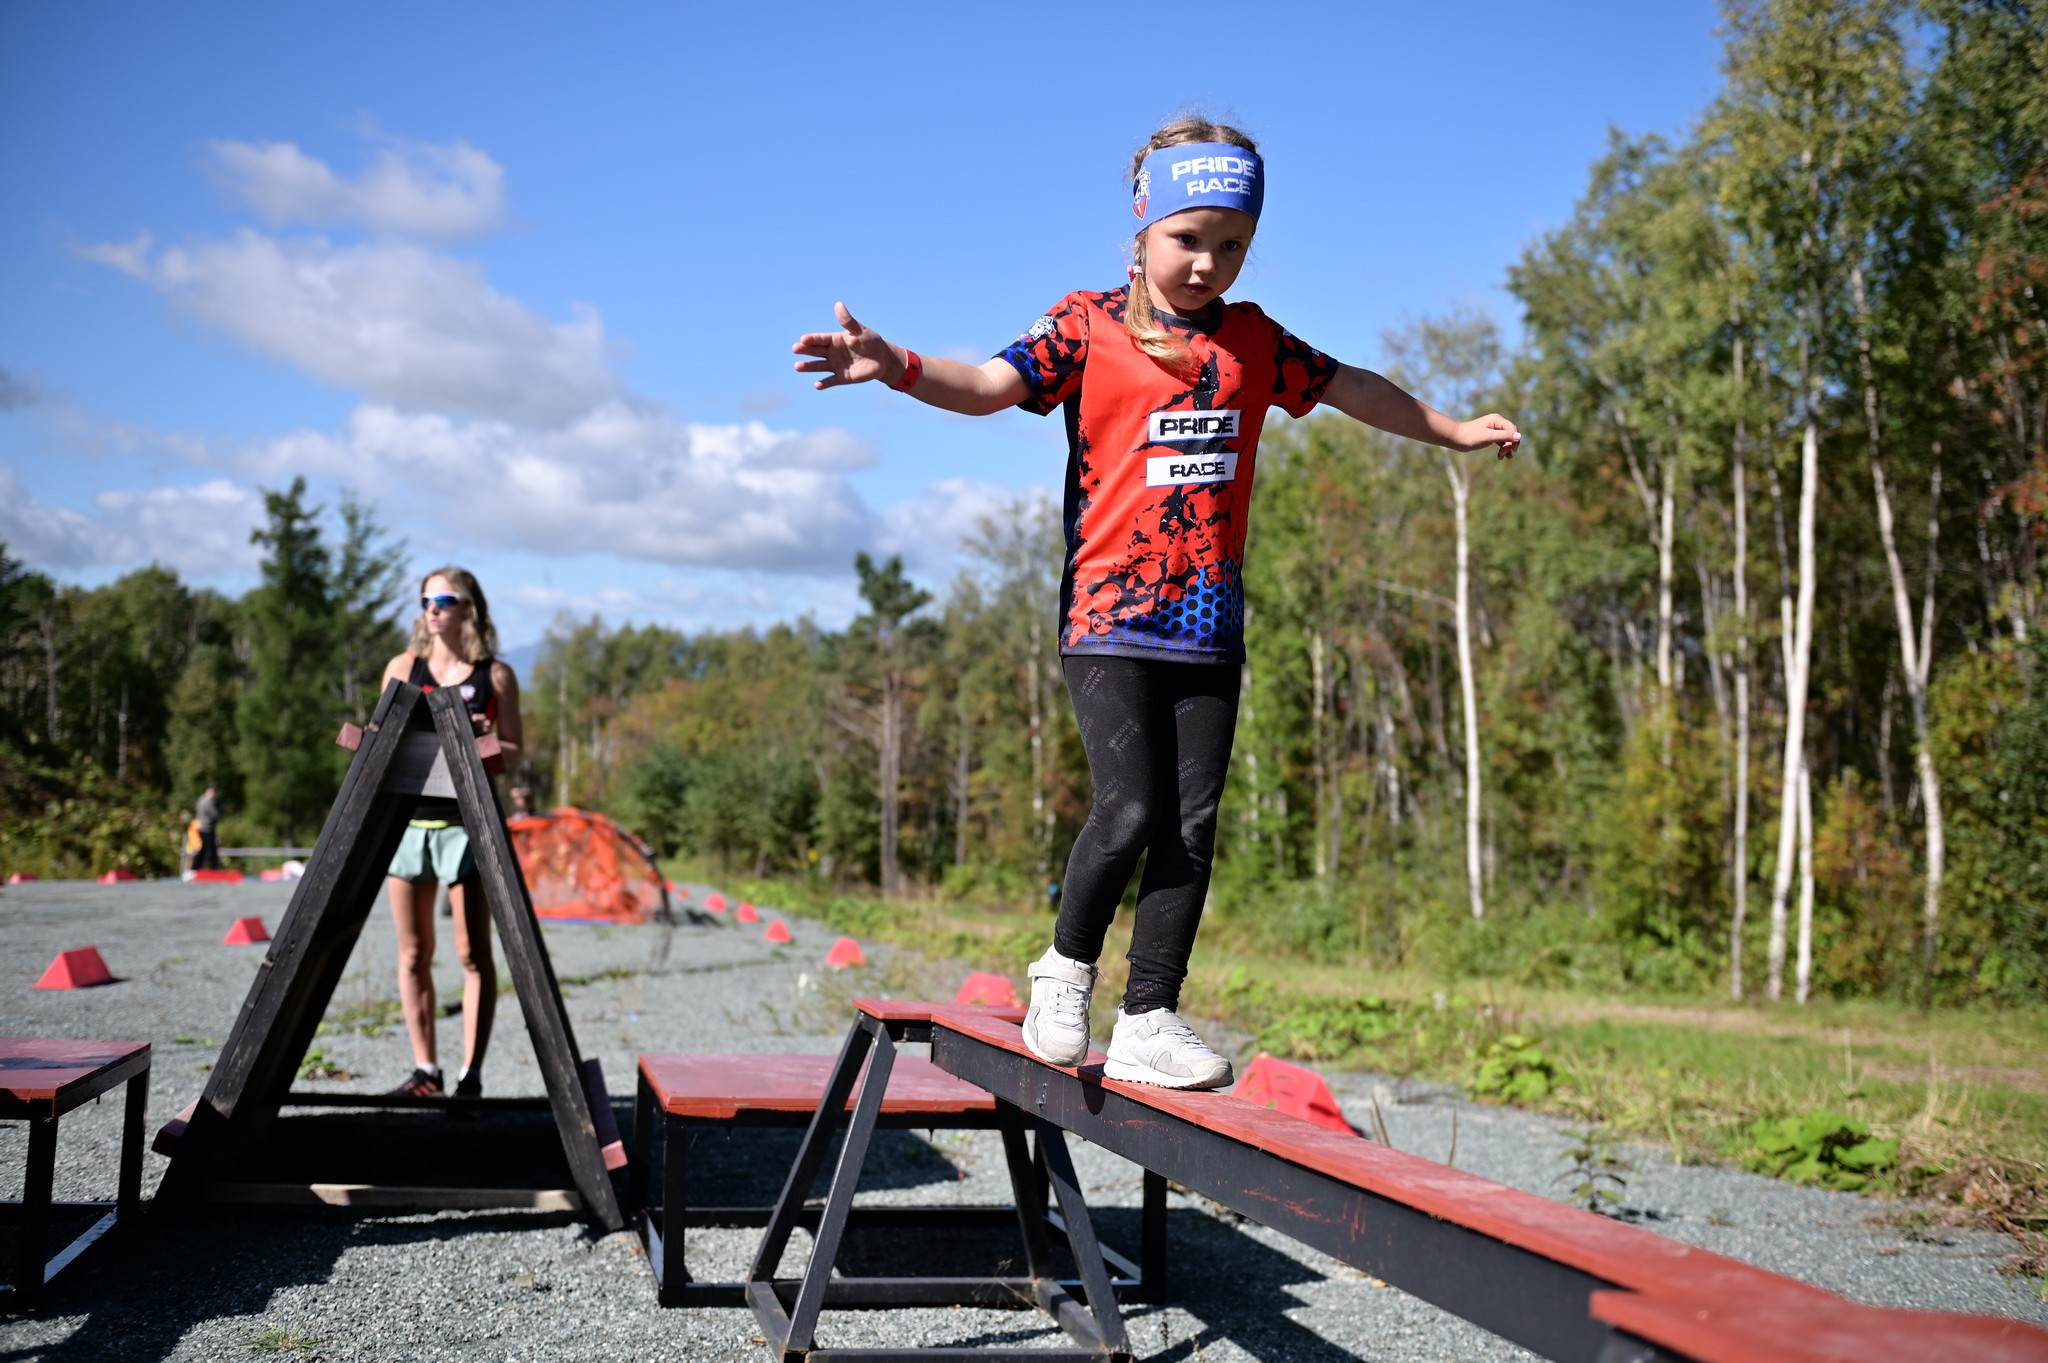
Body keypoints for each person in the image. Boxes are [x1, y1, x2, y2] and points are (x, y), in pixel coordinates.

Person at [792, 118, 1519, 1089]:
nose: (1207, 263)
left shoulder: (1252, 342)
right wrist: (902, 365)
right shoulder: (1083, 327)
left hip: (1207, 624)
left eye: (1231, 246)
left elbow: (1353, 388)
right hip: (1106, 616)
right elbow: (987, 385)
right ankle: (1063, 965)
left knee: (1191, 824)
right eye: (1189, 239)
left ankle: (1148, 1014)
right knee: (1130, 806)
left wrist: (1454, 430)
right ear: (1141, 229)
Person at [376, 567, 523, 1099]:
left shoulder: (495, 675)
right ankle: (425, 1072)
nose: (432, 608)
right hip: (408, 825)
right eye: (425, 600)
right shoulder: (403, 667)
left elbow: (516, 753)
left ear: (469, 608)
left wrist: (483, 741)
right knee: (413, 954)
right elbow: (379, 743)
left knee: (471, 954)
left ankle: (470, 1077)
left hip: (468, 825)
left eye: (444, 598)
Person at [194, 785, 223, 871]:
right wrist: (221, 809)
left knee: (205, 849)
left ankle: (195, 868)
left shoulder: (201, 799)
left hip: (203, 827)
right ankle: (213, 869)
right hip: (207, 828)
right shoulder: (208, 801)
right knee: (210, 850)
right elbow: (215, 815)